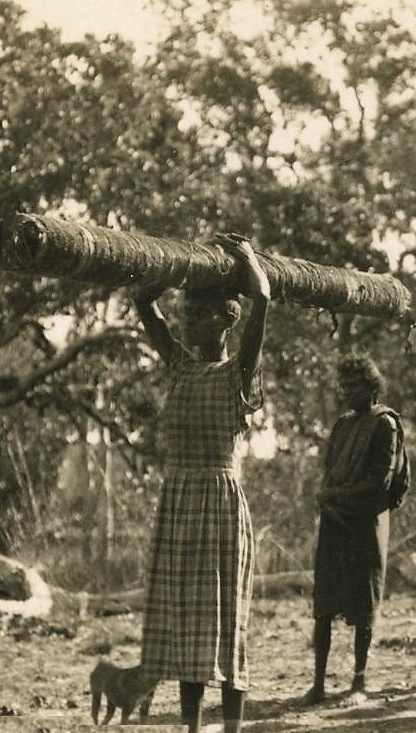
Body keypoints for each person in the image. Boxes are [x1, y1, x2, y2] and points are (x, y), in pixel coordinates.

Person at [135, 233, 270, 733]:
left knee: (226, 620)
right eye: (186, 314)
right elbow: (141, 300)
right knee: (185, 623)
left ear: (226, 319)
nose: (188, 322)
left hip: (219, 504)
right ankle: (191, 728)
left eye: (198, 315)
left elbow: (264, 298)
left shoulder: (240, 373)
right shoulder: (178, 367)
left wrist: (248, 260)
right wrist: (182, 261)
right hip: (178, 502)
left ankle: (231, 729)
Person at [303, 356, 407, 706]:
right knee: (325, 603)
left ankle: (358, 682)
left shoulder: (386, 424)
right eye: (344, 386)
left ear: (373, 387)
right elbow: (330, 471)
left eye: (355, 386)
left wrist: (335, 495)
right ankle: (318, 683)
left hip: (365, 522)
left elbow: (381, 480)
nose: (348, 392)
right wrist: (327, 499)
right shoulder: (342, 425)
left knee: (363, 602)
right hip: (336, 521)